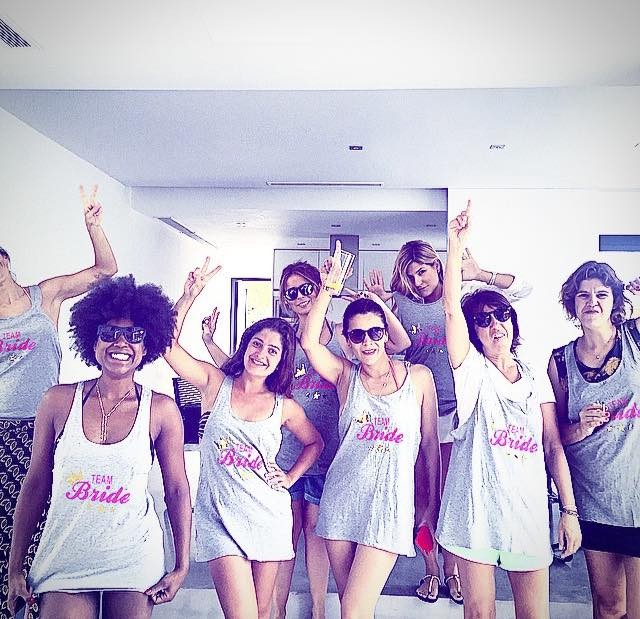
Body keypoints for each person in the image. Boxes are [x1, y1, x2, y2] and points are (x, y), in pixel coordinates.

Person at [199, 260, 410, 619]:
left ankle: (318, 608)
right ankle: (277, 610)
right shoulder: (283, 342)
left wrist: (370, 302)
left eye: (306, 288)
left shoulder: (347, 338)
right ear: (284, 300)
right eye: (291, 292)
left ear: (319, 287)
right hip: (284, 453)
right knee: (286, 536)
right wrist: (208, 342)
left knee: (316, 534)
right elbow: (237, 371)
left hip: (329, 453)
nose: (300, 296)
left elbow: (399, 344)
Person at [7, 275, 191, 619]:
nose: (121, 342)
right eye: (109, 333)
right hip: (64, 556)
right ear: (92, 341)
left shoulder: (161, 410)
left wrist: (182, 565)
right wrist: (14, 568)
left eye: (134, 335)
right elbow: (35, 484)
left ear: (146, 345)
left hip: (133, 557)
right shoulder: (57, 401)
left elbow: (178, 490)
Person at [364, 239, 531, 603]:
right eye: (410, 275)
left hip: (462, 414)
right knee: (423, 498)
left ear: (437, 267)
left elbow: (523, 288)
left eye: (422, 271)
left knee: (453, 497)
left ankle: (453, 570)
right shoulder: (400, 303)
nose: (418, 281)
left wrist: (481, 273)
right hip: (419, 413)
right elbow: (389, 346)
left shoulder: (464, 298)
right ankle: (431, 570)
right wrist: (381, 305)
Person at [436, 201, 581, 619]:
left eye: (501, 315)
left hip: (527, 513)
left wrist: (568, 512)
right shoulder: (472, 372)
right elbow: (451, 309)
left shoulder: (535, 377)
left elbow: (552, 446)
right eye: (483, 320)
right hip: (475, 512)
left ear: (513, 322)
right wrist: (454, 246)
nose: (495, 324)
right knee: (480, 614)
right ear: (473, 332)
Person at [165, 261, 324, 619]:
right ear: (246, 345)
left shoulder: (284, 406)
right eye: (257, 344)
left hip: (268, 517)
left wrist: (291, 477)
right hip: (219, 518)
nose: (261, 354)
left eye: (273, 351)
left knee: (263, 612)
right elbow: (166, 346)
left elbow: (315, 443)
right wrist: (188, 296)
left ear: (281, 361)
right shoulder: (214, 383)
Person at [300, 243, 440, 618]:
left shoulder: (419, 378)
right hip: (340, 502)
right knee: (355, 608)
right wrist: (328, 288)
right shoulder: (346, 376)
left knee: (354, 609)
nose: (368, 342)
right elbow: (309, 342)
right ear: (347, 341)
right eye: (358, 335)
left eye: (375, 332)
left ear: (385, 333)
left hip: (390, 508)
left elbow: (429, 447)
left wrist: (430, 506)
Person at [0, 185, 117, 619]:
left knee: (44, 520)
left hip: (43, 425)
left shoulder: (43, 296)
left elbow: (105, 270)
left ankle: (40, 604)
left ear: (6, 260)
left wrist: (94, 227)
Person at [548, 261, 640, 619]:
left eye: (602, 294)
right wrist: (581, 427)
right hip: (593, 500)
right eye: (583, 295)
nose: (592, 302)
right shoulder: (560, 361)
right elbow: (555, 438)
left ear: (615, 300)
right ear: (572, 304)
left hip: (636, 498)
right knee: (608, 606)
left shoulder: (634, 338)